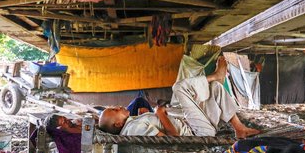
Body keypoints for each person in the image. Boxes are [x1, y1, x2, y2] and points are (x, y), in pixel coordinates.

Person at [99, 56, 261, 139]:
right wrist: (161, 115)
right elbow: (171, 140)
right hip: (196, 132)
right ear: (118, 123)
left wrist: (158, 115)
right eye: (114, 110)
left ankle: (239, 129)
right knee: (179, 87)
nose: (118, 107)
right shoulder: (133, 129)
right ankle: (215, 75)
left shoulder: (132, 123)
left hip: (192, 123)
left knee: (215, 88)